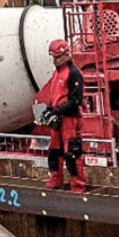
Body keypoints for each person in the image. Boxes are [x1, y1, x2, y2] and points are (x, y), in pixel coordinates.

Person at [38, 39, 86, 192]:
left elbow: (75, 100)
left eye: (58, 57)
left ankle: (78, 187)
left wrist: (56, 111)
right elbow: (55, 96)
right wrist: (49, 110)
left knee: (72, 153)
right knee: (54, 151)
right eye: (53, 58)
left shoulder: (73, 73)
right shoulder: (57, 73)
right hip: (58, 118)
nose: (55, 61)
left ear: (66, 55)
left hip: (70, 118)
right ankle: (55, 180)